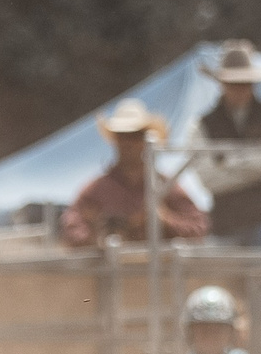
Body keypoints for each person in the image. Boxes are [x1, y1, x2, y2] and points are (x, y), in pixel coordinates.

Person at [180, 40, 261, 248]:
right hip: (225, 224)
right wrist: (259, 156)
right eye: (233, 83)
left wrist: (225, 162)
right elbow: (208, 179)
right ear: (221, 83)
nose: (240, 89)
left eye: (245, 83)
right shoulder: (201, 124)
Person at [61, 101, 208, 249]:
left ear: (144, 140)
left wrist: (164, 219)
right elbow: (70, 229)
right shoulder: (96, 190)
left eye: (135, 135)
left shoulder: (166, 186)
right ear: (115, 140)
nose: (128, 143)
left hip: (157, 263)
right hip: (111, 263)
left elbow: (199, 228)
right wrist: (95, 235)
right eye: (122, 135)